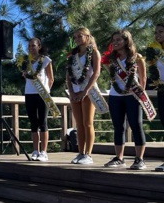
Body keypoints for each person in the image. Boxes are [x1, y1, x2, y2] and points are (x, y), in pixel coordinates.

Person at [102, 30, 153, 170]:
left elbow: (143, 79)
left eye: (118, 39)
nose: (115, 42)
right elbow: (112, 75)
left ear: (126, 40)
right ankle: (119, 158)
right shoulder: (111, 59)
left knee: (136, 126)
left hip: (133, 95)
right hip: (115, 95)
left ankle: (139, 159)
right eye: (114, 40)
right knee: (118, 127)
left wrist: (140, 95)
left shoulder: (137, 57)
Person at [65, 27, 103, 165]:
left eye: (80, 36)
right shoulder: (72, 55)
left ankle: (89, 154)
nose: (77, 39)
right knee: (79, 125)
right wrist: (71, 92)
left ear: (87, 36)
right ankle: (80, 153)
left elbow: (96, 73)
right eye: (75, 37)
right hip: (75, 91)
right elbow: (68, 76)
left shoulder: (94, 53)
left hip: (89, 90)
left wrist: (85, 90)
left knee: (88, 123)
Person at [19, 38, 54, 162]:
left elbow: (51, 78)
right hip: (29, 93)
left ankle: (44, 151)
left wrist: (46, 91)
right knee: (33, 122)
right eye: (29, 46)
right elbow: (26, 77)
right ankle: (35, 150)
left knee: (43, 122)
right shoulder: (25, 61)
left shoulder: (45, 60)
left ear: (39, 46)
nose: (30, 48)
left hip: (42, 94)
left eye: (33, 46)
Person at [147, 23, 164, 172]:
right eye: (156, 32)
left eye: (161, 32)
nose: (157, 34)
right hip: (162, 89)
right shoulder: (153, 49)